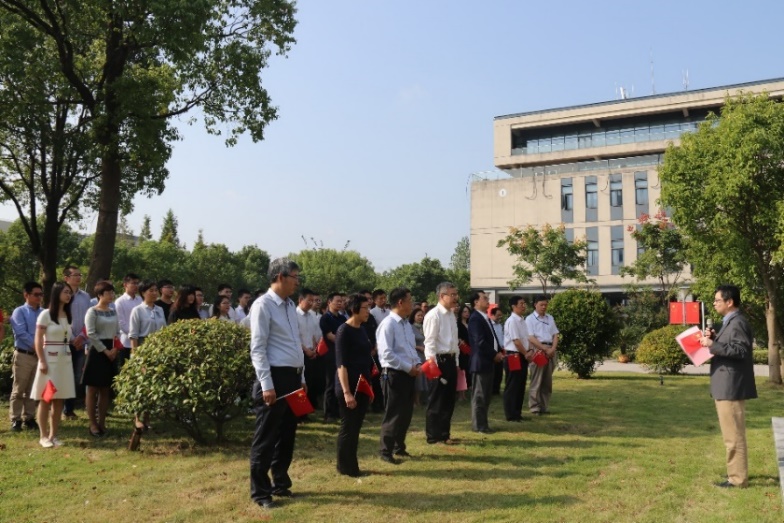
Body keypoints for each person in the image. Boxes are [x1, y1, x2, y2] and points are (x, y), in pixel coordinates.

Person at [249, 258, 305, 510]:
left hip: (293, 377)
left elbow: (295, 344)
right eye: (295, 277)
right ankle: (260, 492)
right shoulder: (263, 305)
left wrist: (301, 378)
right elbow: (258, 348)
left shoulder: (290, 305)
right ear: (280, 277)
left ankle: (280, 482)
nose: (297, 282)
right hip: (274, 377)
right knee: (266, 437)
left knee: (287, 434)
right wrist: (266, 384)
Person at [699, 285, 758, 488]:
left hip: (731, 386)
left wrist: (712, 345)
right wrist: (715, 339)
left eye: (717, 300)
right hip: (726, 385)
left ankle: (737, 479)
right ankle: (736, 473)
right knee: (731, 435)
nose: (714, 303)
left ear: (729, 302)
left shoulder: (738, 322)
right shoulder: (730, 321)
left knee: (734, 436)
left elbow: (740, 350)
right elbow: (730, 346)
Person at [377, 287, 421, 463]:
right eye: (410, 300)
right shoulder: (388, 324)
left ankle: (399, 447)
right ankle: (385, 451)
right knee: (394, 413)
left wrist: (417, 363)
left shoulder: (405, 324)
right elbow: (386, 353)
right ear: (400, 302)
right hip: (394, 374)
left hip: (409, 373)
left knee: (405, 413)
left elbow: (410, 349)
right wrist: (408, 367)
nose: (413, 304)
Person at [31, 282, 74, 448]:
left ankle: (53, 435)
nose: (68, 295)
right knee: (46, 397)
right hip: (50, 361)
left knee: (59, 399)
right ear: (57, 293)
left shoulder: (67, 315)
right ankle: (43, 436)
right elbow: (38, 339)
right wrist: (42, 360)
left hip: (65, 361)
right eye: (65, 292)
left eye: (70, 293)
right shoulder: (46, 314)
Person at [334, 294, 374, 477]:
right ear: (354, 309)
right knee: (348, 427)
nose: (368, 312)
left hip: (363, 384)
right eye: (365, 308)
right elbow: (341, 365)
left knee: (356, 427)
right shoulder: (344, 331)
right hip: (348, 385)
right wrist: (347, 392)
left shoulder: (362, 329)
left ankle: (352, 465)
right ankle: (345, 467)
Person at [423, 282, 460, 445]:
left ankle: (445, 434)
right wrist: (433, 365)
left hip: (450, 359)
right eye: (452, 295)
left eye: (456, 294)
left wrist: (456, 362)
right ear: (442, 296)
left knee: (448, 399)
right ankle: (433, 435)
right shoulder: (434, 315)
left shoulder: (451, 314)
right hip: (438, 361)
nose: (455, 298)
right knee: (436, 399)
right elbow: (429, 342)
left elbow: (454, 342)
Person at [82, 281, 120, 437]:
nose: (111, 295)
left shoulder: (113, 311)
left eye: (112, 292)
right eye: (108, 293)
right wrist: (105, 351)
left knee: (105, 388)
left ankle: (102, 422)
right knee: (92, 389)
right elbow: (90, 333)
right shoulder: (92, 311)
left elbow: (118, 332)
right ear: (99, 295)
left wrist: (115, 349)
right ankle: (93, 424)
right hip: (97, 351)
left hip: (112, 349)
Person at [8, 282, 44, 432]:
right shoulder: (19, 311)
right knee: (19, 388)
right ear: (26, 295)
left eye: (41, 294)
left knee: (32, 389)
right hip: (24, 355)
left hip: (39, 356)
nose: (39, 297)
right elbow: (21, 333)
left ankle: (29, 418)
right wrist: (37, 347)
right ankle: (15, 419)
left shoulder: (44, 312)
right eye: (36, 294)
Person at [467, 291, 504, 434]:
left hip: (489, 361)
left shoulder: (485, 317)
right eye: (484, 298)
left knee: (487, 395)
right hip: (481, 362)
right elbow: (480, 341)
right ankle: (479, 426)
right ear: (476, 302)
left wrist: (499, 351)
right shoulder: (475, 319)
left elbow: (492, 338)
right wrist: (494, 354)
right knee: (480, 395)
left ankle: (484, 424)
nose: (488, 300)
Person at [63, 265, 91, 420]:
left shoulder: (86, 296)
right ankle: (60, 407)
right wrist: (73, 338)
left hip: (81, 342)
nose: (79, 277)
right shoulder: (62, 295)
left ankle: (69, 409)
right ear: (66, 278)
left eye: (80, 275)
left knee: (76, 375)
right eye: (75, 275)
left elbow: (89, 319)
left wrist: (81, 337)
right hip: (65, 342)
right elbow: (60, 318)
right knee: (63, 375)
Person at [526, 295, 559, 415]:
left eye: (546, 304)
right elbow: (530, 337)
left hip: (550, 350)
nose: (544, 307)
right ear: (535, 304)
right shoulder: (530, 319)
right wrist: (544, 348)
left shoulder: (550, 318)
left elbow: (555, 334)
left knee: (547, 381)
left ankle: (544, 406)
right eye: (541, 305)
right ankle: (534, 407)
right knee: (537, 380)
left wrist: (553, 349)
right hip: (538, 350)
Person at [503, 296, 532, 422]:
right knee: (513, 385)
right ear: (513, 306)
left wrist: (529, 351)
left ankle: (517, 413)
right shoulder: (512, 321)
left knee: (520, 385)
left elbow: (526, 339)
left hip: (522, 355)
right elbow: (516, 341)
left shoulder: (522, 320)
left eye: (524, 303)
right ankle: (511, 414)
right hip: (514, 356)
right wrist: (526, 353)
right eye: (521, 304)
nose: (524, 306)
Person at [319, 293, 346, 423]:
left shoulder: (342, 318)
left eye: (341, 301)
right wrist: (344, 342)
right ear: (329, 302)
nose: (340, 303)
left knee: (340, 383)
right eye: (337, 301)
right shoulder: (325, 318)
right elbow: (330, 336)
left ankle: (339, 411)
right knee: (330, 384)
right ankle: (329, 413)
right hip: (330, 354)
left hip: (342, 354)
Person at [297, 288, 323, 416]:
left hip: (311, 354)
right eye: (309, 300)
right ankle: (300, 413)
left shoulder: (311, 316)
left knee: (310, 382)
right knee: (300, 384)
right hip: (299, 353)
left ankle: (307, 411)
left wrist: (314, 349)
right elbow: (295, 337)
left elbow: (313, 335)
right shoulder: (294, 315)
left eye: (313, 300)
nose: (312, 303)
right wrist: (306, 350)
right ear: (301, 300)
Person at [114, 273, 141, 374]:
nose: (136, 286)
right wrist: (134, 335)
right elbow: (121, 323)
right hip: (126, 342)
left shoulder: (140, 300)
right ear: (125, 284)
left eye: (137, 283)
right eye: (133, 283)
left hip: (140, 341)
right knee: (125, 371)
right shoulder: (119, 302)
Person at [409, 308, 428, 406]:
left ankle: (421, 399)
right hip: (415, 354)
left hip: (424, 354)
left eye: (422, 315)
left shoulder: (424, 327)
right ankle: (415, 400)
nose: (420, 317)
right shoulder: (410, 327)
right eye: (418, 315)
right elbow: (408, 342)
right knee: (418, 378)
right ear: (413, 316)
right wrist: (418, 347)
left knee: (424, 376)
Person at [456, 304, 471, 400]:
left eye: (468, 312)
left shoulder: (470, 323)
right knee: (462, 371)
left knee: (468, 371)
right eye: (465, 312)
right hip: (461, 351)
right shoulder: (458, 324)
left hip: (470, 350)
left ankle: (466, 391)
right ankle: (461, 394)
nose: (467, 313)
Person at [489, 305, 505, 396]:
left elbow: (501, 336)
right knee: (493, 370)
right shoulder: (489, 325)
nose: (500, 317)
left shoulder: (499, 325)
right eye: (498, 315)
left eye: (500, 315)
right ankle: (491, 389)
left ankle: (496, 389)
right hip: (493, 348)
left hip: (500, 348)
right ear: (492, 315)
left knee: (499, 370)